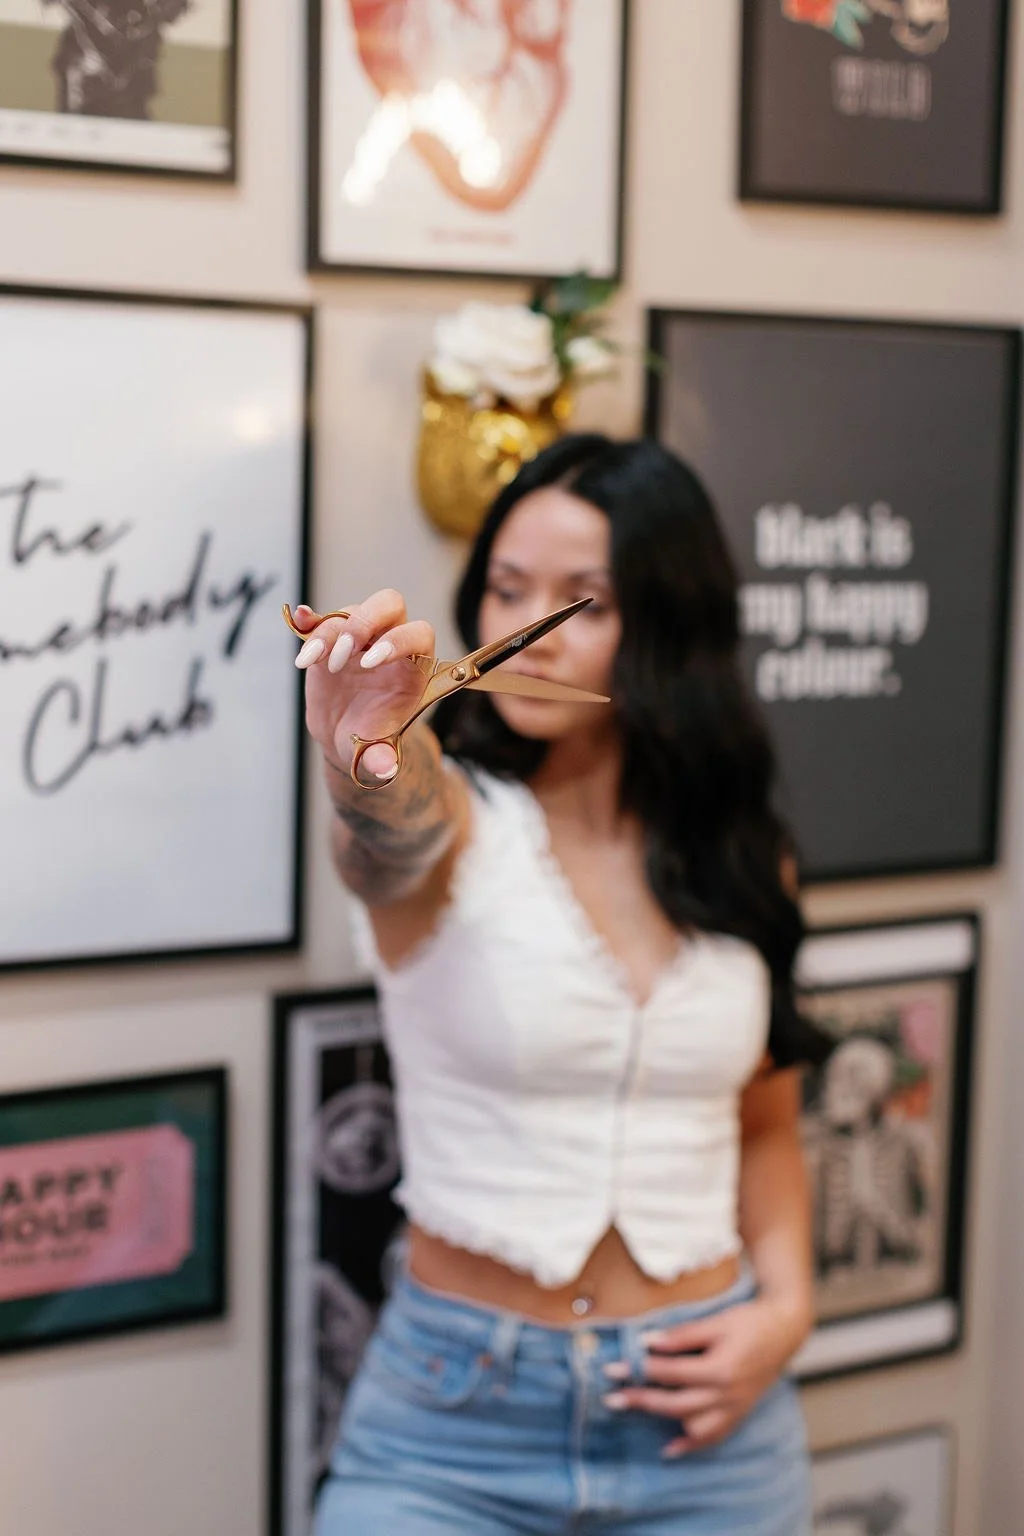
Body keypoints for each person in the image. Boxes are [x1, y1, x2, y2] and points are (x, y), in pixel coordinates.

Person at [291, 434, 832, 1535]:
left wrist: (787, 1310)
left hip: (707, 1427)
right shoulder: (455, 827)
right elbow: (385, 835)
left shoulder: (740, 855)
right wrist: (363, 763)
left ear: (668, 625)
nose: (525, 631)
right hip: (452, 1428)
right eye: (505, 588)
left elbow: (764, 1125)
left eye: (582, 601)